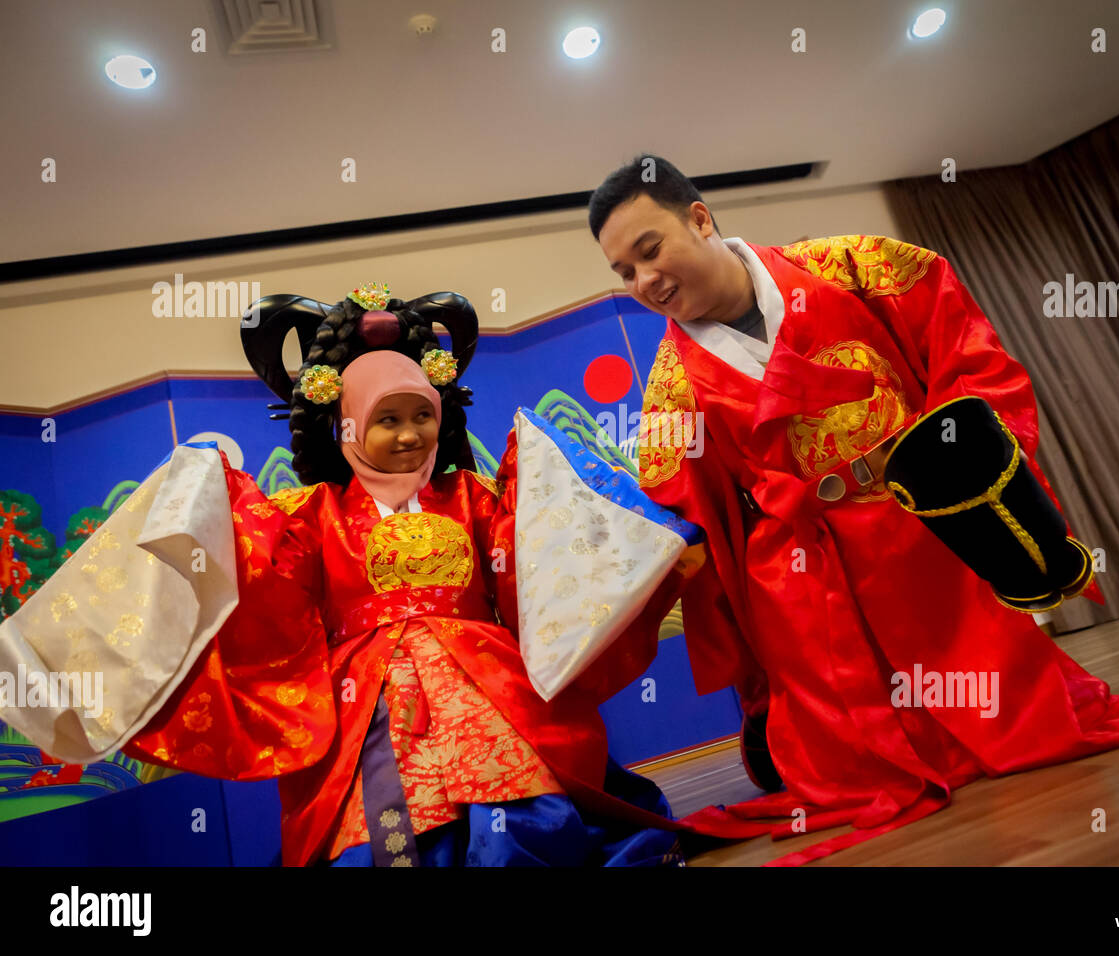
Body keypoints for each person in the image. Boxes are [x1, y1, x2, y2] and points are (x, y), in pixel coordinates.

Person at [587, 154, 1119, 865]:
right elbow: (686, 518)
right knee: (859, 764)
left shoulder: (855, 267)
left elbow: (969, 367)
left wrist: (969, 482)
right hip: (808, 575)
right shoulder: (669, 383)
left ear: (699, 218)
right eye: (624, 273)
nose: (644, 282)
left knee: (1016, 722)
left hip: (921, 531)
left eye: (649, 251)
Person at [0, 283, 697, 867]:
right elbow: (268, 601)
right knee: (381, 836)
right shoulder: (311, 514)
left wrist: (646, 532)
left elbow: (541, 563)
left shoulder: (477, 497)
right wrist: (206, 507)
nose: (408, 434)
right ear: (346, 427)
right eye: (386, 418)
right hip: (366, 703)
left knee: (524, 820)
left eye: (422, 414)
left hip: (492, 684)